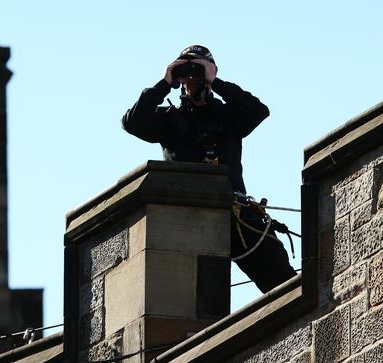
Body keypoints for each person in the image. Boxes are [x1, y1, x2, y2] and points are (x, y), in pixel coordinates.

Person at [122, 45, 296, 293]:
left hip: (235, 213)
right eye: (187, 71)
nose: (192, 77)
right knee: (194, 295)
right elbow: (132, 122)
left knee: (282, 280)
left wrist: (216, 81)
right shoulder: (169, 120)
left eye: (198, 69)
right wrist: (165, 83)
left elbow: (259, 111)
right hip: (186, 218)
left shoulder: (228, 116)